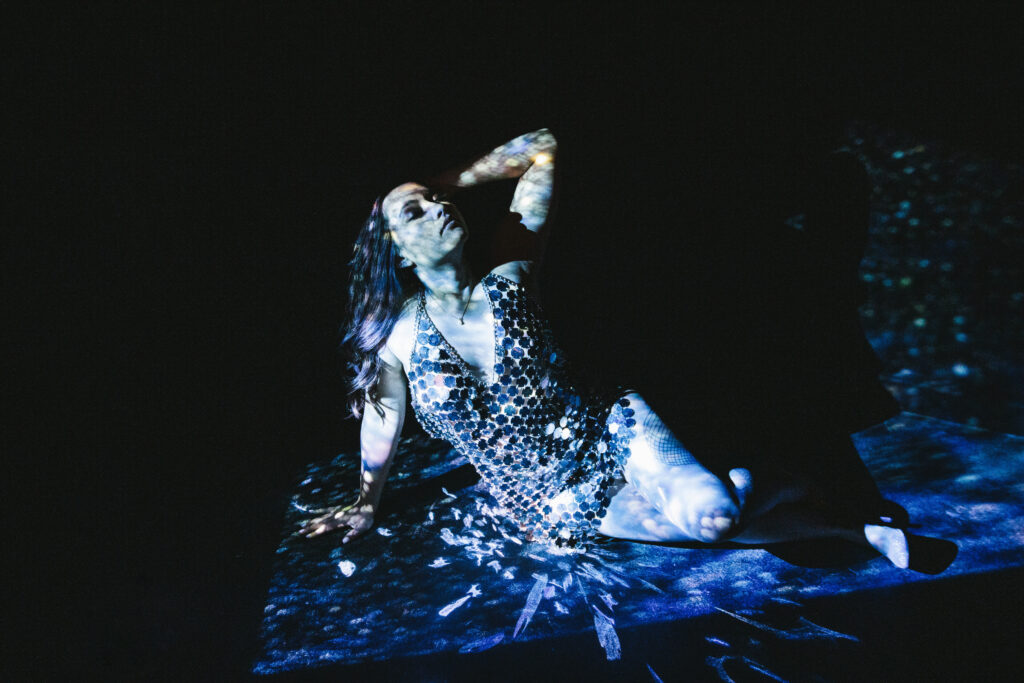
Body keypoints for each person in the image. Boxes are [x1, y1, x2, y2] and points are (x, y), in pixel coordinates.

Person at [298, 128, 946, 571]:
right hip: (540, 492)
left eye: (439, 200)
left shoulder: (511, 266)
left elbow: (541, 146)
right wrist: (365, 500)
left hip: (612, 427)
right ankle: (855, 528)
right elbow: (382, 419)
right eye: (416, 214)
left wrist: (436, 181)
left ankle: (781, 483)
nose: (437, 208)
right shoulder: (399, 333)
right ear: (394, 251)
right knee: (713, 527)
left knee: (712, 513)